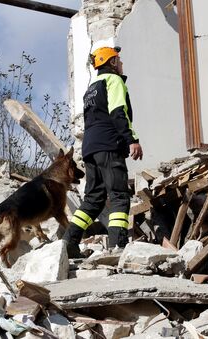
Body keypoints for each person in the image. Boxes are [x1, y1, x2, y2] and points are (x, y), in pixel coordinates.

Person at [63, 46, 143, 257]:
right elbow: (119, 112)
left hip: (90, 147)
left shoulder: (90, 89)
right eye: (119, 59)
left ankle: (69, 242)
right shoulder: (114, 81)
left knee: (94, 198)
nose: (121, 62)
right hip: (108, 145)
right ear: (113, 63)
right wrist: (131, 139)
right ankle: (119, 245)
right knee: (118, 194)